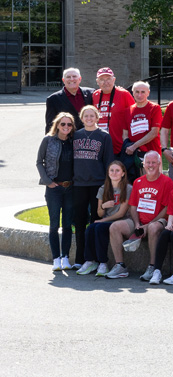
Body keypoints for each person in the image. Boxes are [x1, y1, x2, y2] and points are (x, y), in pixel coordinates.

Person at [106, 151, 173, 280]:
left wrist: (147, 225)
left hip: (158, 221)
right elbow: (133, 206)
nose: (150, 165)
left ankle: (153, 267)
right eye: (148, 162)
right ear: (143, 164)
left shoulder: (167, 182)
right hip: (139, 222)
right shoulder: (138, 182)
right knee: (115, 227)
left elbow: (167, 208)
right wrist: (137, 224)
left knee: (153, 228)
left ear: (159, 164)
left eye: (154, 162)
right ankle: (120, 266)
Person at [72, 105, 113, 268]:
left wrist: (107, 184)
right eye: (86, 116)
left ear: (97, 118)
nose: (89, 119)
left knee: (96, 221)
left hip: (98, 184)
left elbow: (109, 161)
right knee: (80, 222)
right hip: (79, 184)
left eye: (92, 116)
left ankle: (96, 259)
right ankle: (81, 259)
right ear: (81, 119)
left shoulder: (104, 136)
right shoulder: (75, 135)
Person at [75, 160, 132, 278]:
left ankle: (103, 263)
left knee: (99, 227)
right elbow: (99, 213)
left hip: (122, 221)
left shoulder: (128, 188)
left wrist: (103, 221)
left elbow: (121, 213)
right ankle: (90, 261)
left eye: (117, 170)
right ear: (108, 173)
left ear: (123, 173)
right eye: (112, 170)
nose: (114, 173)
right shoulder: (103, 188)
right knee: (91, 228)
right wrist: (103, 206)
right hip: (107, 221)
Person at [37, 112, 77, 271]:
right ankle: (55, 259)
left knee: (67, 224)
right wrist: (48, 182)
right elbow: (39, 162)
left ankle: (65, 257)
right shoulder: (48, 140)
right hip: (54, 188)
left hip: (70, 188)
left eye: (69, 124)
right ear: (57, 125)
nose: (66, 127)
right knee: (54, 224)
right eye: (63, 124)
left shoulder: (74, 142)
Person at [92, 67, 134, 152]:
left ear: (114, 80)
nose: (105, 82)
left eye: (108, 79)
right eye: (102, 79)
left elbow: (133, 117)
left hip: (119, 145)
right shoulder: (95, 95)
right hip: (100, 144)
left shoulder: (124, 94)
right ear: (97, 81)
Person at [125, 81, 163, 157]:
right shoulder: (128, 110)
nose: (140, 95)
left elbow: (154, 132)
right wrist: (129, 146)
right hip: (133, 153)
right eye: (137, 92)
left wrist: (135, 146)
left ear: (148, 93)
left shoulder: (155, 108)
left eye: (143, 92)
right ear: (133, 92)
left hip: (152, 152)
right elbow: (125, 134)